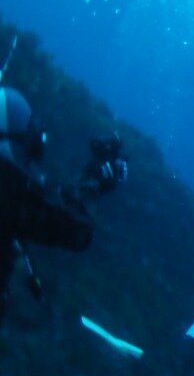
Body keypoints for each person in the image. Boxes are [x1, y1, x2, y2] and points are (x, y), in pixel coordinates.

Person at [0, 83, 126, 325]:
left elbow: (45, 201)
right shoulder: (8, 187)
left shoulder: (11, 189)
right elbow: (73, 230)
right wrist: (93, 185)